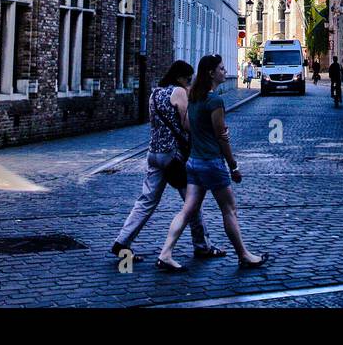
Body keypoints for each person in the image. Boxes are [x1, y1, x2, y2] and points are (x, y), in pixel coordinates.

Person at [157, 55, 268, 271]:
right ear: (211, 73)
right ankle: (244, 255)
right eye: (221, 69)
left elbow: (189, 126)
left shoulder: (194, 97)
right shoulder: (214, 101)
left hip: (194, 163)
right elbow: (221, 137)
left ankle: (165, 253)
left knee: (187, 210)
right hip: (212, 163)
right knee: (229, 210)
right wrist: (233, 166)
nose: (225, 72)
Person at [112, 60, 225, 263]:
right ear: (181, 77)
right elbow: (186, 123)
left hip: (154, 153)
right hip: (174, 157)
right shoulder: (178, 92)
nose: (190, 83)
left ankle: (122, 241)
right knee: (192, 202)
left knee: (146, 200)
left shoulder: (155, 93)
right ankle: (202, 245)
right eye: (188, 79)